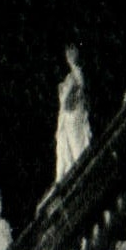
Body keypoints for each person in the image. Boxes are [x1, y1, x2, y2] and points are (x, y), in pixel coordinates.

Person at [55, 44, 92, 183]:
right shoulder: (71, 75)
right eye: (68, 55)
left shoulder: (76, 73)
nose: (69, 58)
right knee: (66, 145)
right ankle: (69, 171)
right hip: (68, 115)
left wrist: (69, 94)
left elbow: (81, 90)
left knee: (76, 143)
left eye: (71, 55)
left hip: (74, 114)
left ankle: (80, 171)